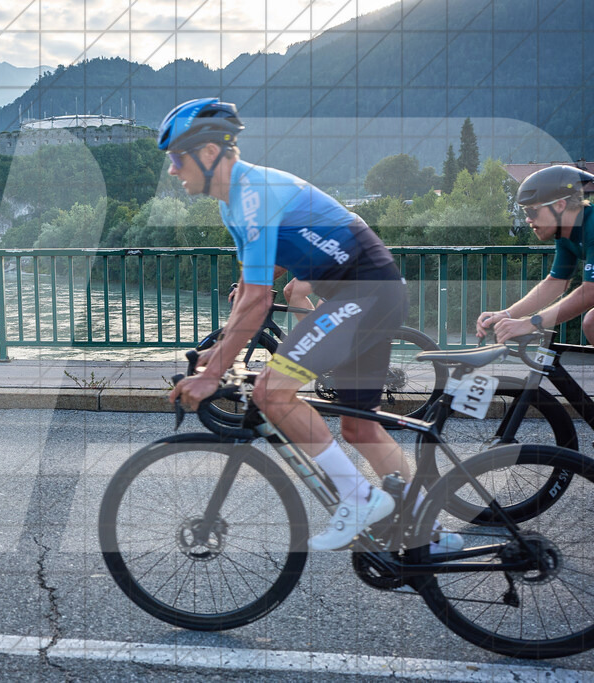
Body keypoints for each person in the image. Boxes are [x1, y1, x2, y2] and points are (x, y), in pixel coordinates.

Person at [162, 98, 460, 551]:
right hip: (366, 292)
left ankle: (359, 499)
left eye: (175, 157)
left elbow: (259, 300)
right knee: (360, 427)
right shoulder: (234, 202)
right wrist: (220, 346)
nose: (171, 170)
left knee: (271, 392)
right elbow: (250, 287)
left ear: (207, 154)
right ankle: (428, 532)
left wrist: (211, 374)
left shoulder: (251, 194)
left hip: (365, 292)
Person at [476, 165, 594, 343]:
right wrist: (507, 314)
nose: (528, 219)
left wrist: (531, 323)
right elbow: (556, 283)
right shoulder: (566, 233)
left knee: (591, 321)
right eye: (525, 212)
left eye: (532, 211)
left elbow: (590, 291)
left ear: (559, 205)